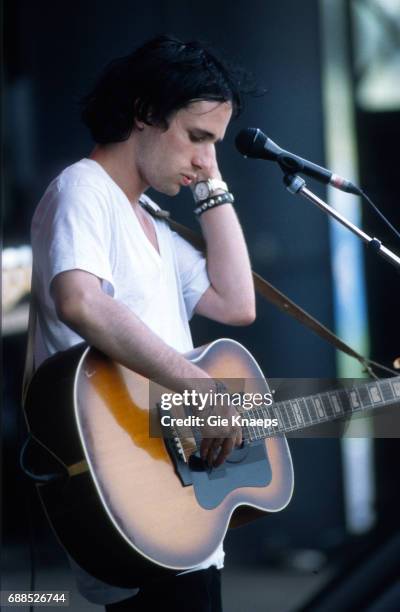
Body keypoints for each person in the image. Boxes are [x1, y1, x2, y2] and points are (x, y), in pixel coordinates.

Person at [30, 34, 256, 611]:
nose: (206, 157)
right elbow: (80, 300)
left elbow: (237, 304)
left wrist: (211, 182)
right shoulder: (84, 190)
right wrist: (201, 387)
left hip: (172, 491)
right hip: (129, 488)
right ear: (145, 115)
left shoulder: (148, 216)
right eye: (197, 137)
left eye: (215, 144)